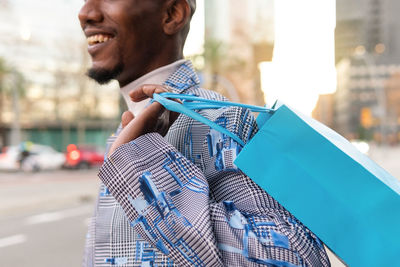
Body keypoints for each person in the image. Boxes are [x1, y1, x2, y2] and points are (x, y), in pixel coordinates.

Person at [78, 0, 331, 266]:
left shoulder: (216, 118)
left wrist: (144, 169)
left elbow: (295, 258)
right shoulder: (128, 127)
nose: (86, 13)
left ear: (172, 14)